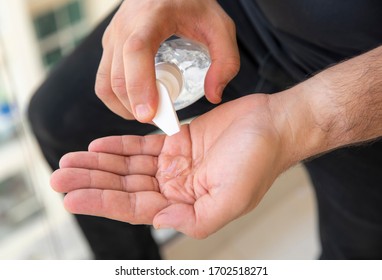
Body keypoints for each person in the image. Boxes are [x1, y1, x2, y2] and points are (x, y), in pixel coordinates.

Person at [32, 0, 382, 259]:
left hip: (363, 77)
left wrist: (296, 118)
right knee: (57, 118)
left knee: (355, 257)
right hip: (235, 15)